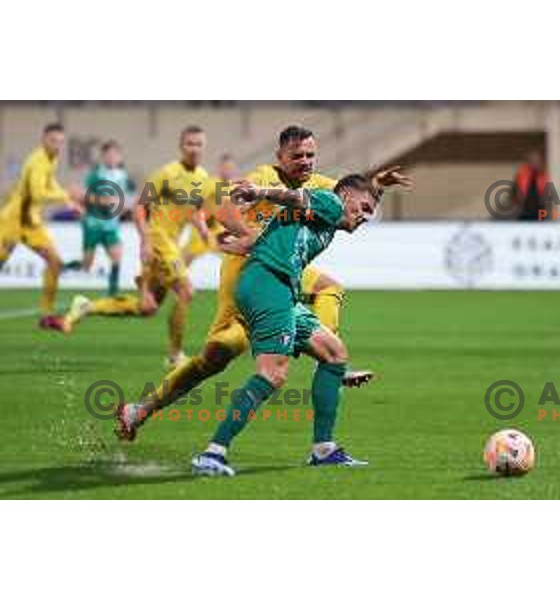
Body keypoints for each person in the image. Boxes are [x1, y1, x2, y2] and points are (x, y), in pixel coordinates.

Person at [115, 126, 412, 442]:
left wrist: (377, 185)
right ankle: (143, 411)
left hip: (280, 275)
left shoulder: (317, 183)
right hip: (245, 272)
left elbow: (352, 199)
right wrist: (246, 234)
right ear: (280, 157)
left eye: (310, 154)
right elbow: (222, 206)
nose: (306, 161)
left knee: (329, 288)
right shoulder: (263, 176)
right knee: (214, 358)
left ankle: (327, 361)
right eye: (297, 156)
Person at [124, 175, 380, 475]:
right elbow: (295, 197)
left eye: (370, 212)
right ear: (346, 195)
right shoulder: (332, 202)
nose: (364, 216)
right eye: (363, 207)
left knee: (333, 353)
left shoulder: (325, 222)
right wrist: (260, 192)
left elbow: (276, 227)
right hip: (267, 284)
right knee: (272, 374)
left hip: (278, 289)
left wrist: (248, 240)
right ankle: (213, 453)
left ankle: (324, 450)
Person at [59, 126, 214, 367]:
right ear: (180, 146)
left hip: (172, 244)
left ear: (204, 147)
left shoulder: (204, 178)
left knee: (146, 307)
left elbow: (192, 209)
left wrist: (202, 227)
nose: (194, 149)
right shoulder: (165, 174)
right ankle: (175, 356)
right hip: (159, 240)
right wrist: (146, 240)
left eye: (198, 144)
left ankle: (86, 306)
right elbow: (140, 208)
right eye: (189, 144)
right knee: (185, 290)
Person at [0, 123, 82, 326]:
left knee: (54, 263)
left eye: (61, 142)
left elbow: (50, 183)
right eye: (53, 141)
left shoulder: (51, 159)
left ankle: (46, 315)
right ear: (43, 139)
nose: (57, 145)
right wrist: (66, 194)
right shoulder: (37, 161)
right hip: (13, 220)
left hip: (30, 222)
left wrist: (68, 201)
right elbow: (38, 193)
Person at [81, 140, 135, 295]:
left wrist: (125, 206)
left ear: (120, 157)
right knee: (86, 265)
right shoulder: (96, 175)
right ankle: (63, 267)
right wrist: (106, 202)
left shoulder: (122, 176)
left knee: (117, 257)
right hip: (93, 224)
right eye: (108, 154)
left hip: (111, 226)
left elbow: (124, 199)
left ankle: (112, 293)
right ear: (103, 157)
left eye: (115, 154)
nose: (112, 158)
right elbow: (87, 197)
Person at [181, 153, 236, 266]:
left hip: (219, 231)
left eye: (230, 168)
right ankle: (168, 278)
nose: (228, 171)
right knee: (185, 259)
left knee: (233, 257)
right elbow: (194, 203)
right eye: (225, 167)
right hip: (202, 230)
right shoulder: (210, 183)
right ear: (219, 168)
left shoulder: (233, 187)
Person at [513, 149, 548, 221]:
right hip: (524, 209)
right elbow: (517, 191)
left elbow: (545, 193)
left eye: (538, 161)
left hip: (538, 209)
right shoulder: (523, 174)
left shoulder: (542, 176)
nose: (536, 163)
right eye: (534, 161)